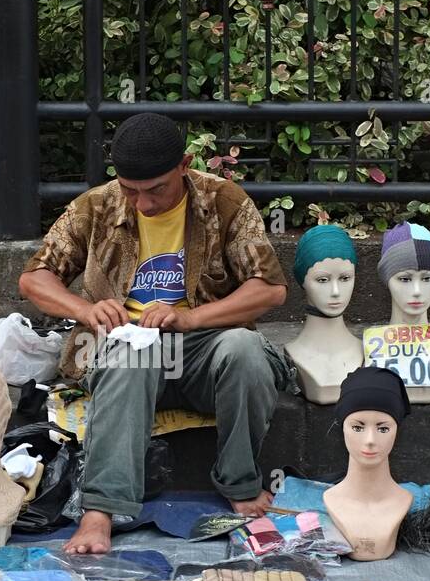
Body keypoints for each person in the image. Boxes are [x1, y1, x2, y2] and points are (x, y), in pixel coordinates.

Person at [19, 112, 291, 554]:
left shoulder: (224, 201)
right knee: (131, 356)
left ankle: (240, 484)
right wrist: (86, 310)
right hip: (124, 352)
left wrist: (190, 319)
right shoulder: (97, 205)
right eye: (131, 191)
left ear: (184, 165)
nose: (142, 204)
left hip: (203, 349)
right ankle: (99, 511)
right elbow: (35, 279)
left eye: (156, 189)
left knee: (245, 347)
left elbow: (270, 290)